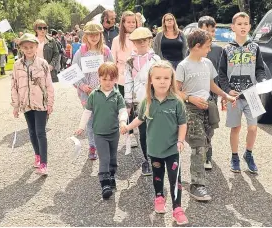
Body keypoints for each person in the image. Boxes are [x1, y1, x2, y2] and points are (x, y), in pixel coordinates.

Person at [120, 60, 189, 225]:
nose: (162, 81)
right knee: (157, 176)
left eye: (166, 78)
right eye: (158, 78)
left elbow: (182, 124)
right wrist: (127, 127)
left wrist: (180, 140)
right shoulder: (147, 102)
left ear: (171, 80)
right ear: (151, 80)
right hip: (154, 149)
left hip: (172, 149)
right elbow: (139, 118)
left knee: (175, 178)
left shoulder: (177, 102)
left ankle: (177, 208)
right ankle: (159, 197)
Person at [176, 29, 236, 201]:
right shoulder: (183, 66)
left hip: (208, 108)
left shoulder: (207, 63)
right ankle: (197, 185)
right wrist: (191, 99)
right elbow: (176, 90)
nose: (210, 50)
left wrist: (226, 95)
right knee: (198, 145)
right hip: (191, 109)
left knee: (207, 141)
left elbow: (211, 85)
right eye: (207, 46)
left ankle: (195, 176)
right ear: (196, 46)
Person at [218, 12, 267, 173]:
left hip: (252, 94)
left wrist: (261, 80)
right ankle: (234, 156)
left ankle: (249, 154)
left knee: (253, 127)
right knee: (236, 127)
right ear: (233, 27)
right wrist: (227, 90)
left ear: (250, 26)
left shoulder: (255, 47)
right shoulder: (227, 49)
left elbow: (260, 69)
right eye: (239, 24)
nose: (243, 26)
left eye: (246, 23)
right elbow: (222, 73)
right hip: (234, 96)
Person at [75, 62, 128, 199]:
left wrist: (122, 122)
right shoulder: (94, 94)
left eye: (111, 79)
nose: (108, 82)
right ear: (99, 78)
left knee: (113, 157)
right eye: (104, 79)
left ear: (115, 79)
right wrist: (81, 126)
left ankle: (111, 175)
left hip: (114, 132)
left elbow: (122, 110)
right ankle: (104, 183)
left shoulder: (117, 95)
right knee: (104, 158)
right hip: (99, 133)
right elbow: (87, 111)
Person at [11, 33, 54, 176]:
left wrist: (50, 103)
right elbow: (14, 85)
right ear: (21, 48)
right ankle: (37, 155)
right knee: (32, 132)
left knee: (41, 132)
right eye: (25, 47)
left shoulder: (42, 64)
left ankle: (44, 163)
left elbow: (49, 85)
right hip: (26, 104)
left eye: (31, 47)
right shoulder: (17, 65)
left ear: (36, 47)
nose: (29, 50)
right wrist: (16, 106)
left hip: (40, 103)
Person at [73, 21, 114, 160]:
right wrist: (83, 86)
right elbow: (74, 72)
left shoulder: (106, 51)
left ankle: (104, 144)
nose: (94, 37)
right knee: (90, 120)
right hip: (87, 93)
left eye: (96, 34)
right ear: (86, 35)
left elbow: (112, 69)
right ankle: (92, 146)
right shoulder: (80, 52)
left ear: (100, 35)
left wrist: (107, 84)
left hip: (104, 92)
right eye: (90, 34)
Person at [124, 27, 161, 175]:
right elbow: (128, 82)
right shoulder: (129, 61)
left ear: (149, 41)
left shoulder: (156, 59)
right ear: (133, 43)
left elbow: (162, 78)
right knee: (144, 132)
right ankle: (147, 159)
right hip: (139, 101)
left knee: (156, 131)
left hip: (155, 99)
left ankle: (157, 157)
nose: (141, 43)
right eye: (138, 41)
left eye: (144, 40)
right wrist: (128, 103)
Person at [197, 15, 224, 170]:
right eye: (205, 30)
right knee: (197, 125)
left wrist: (223, 95)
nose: (208, 33)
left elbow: (220, 74)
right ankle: (200, 152)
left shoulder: (219, 50)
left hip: (212, 96)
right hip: (195, 95)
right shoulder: (191, 49)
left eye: (212, 30)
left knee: (210, 126)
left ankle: (208, 151)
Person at [111, 10, 137, 95]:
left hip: (138, 78)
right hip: (122, 79)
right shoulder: (116, 40)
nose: (131, 24)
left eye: (133, 22)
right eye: (128, 22)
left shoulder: (140, 38)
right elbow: (113, 61)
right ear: (123, 23)